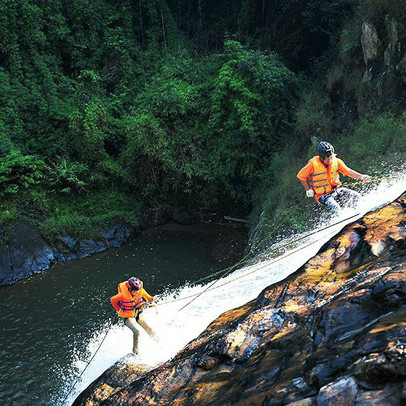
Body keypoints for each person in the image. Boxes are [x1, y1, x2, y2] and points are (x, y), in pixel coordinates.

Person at [297, 141, 371, 214]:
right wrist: (308, 190)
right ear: (321, 157)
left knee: (357, 197)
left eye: (331, 157)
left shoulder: (337, 161)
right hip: (322, 195)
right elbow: (301, 176)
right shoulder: (312, 165)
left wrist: (362, 176)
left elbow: (349, 171)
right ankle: (340, 220)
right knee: (336, 208)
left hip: (336, 190)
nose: (329, 160)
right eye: (327, 158)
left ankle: (365, 212)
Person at [110, 276, 157, 354]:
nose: (137, 292)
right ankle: (135, 352)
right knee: (137, 331)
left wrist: (152, 299)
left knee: (148, 328)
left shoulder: (140, 290)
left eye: (138, 291)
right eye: (135, 291)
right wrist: (118, 310)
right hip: (127, 316)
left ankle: (158, 342)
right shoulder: (123, 295)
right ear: (130, 288)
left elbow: (149, 299)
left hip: (138, 312)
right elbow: (112, 300)